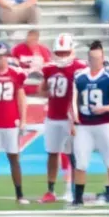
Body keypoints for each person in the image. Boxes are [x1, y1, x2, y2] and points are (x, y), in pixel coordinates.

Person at [71, 42, 109, 208]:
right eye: (92, 58)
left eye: (97, 58)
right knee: (81, 162)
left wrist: (107, 107)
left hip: (104, 123)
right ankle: (78, 199)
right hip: (84, 125)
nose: (94, 61)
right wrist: (72, 120)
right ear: (88, 58)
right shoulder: (80, 76)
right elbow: (73, 101)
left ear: (103, 58)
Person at [0, 42, 28, 205]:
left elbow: (21, 98)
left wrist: (23, 119)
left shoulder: (16, 73)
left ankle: (19, 193)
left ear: (7, 56)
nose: (0, 59)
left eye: (2, 56)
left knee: (14, 158)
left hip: (10, 122)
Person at [40, 33, 83, 203]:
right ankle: (50, 190)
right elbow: (42, 90)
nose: (62, 56)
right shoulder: (49, 69)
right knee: (52, 153)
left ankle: (72, 189)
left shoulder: (80, 68)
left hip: (70, 117)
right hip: (53, 116)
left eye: (65, 53)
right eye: (60, 53)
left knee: (73, 155)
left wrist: (76, 116)